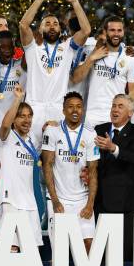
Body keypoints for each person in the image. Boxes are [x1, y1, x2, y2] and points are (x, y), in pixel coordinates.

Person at [18, 0, 91, 141]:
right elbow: (23, 25)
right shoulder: (32, 48)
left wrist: (74, 1)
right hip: (33, 108)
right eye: (47, 23)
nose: (52, 26)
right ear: (40, 29)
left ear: (60, 29)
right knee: (31, 155)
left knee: (56, 158)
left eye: (55, 24)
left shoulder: (67, 47)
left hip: (58, 109)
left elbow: (86, 31)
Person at [42, 92, 99, 253]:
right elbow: (47, 165)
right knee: (60, 251)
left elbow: (93, 172)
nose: (75, 110)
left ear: (83, 110)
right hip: (59, 199)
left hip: (82, 200)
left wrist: (90, 204)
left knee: (89, 247)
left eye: (79, 107)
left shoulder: (90, 134)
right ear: (63, 110)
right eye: (71, 107)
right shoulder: (52, 132)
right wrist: (54, 200)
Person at [94, 94, 134, 261]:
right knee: (100, 258)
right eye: (113, 106)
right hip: (100, 202)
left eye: (120, 106)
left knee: (124, 259)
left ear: (130, 113)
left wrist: (113, 147)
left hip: (125, 204)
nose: (115, 109)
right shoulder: (99, 129)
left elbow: (133, 157)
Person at [0, 30, 27, 228]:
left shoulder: (21, 67)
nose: (7, 50)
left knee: (6, 172)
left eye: (10, 46)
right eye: (2, 46)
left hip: (9, 129)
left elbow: (32, 45)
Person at [0, 84, 43, 252]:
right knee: (11, 249)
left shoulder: (33, 141)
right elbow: (5, 124)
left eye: (29, 116)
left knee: (32, 251)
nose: (27, 120)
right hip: (10, 201)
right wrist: (18, 98)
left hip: (29, 202)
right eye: (21, 116)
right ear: (14, 119)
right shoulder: (6, 138)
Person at [72, 16, 134, 130]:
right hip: (91, 116)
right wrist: (92, 58)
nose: (116, 34)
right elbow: (76, 78)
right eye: (112, 30)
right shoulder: (91, 50)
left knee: (113, 148)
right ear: (105, 31)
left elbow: (133, 91)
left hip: (116, 117)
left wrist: (128, 114)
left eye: (119, 30)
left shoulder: (130, 57)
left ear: (123, 32)